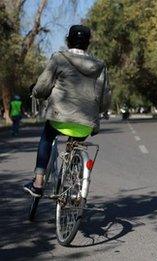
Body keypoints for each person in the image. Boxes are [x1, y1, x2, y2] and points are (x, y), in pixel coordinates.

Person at [23, 25, 111, 197]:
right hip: (85, 123)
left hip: (58, 119)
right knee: (75, 145)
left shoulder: (59, 58)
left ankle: (38, 182)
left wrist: (35, 92)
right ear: (88, 43)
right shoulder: (100, 66)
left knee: (47, 137)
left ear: (68, 40)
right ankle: (70, 185)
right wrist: (96, 111)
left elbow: (42, 87)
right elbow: (105, 98)